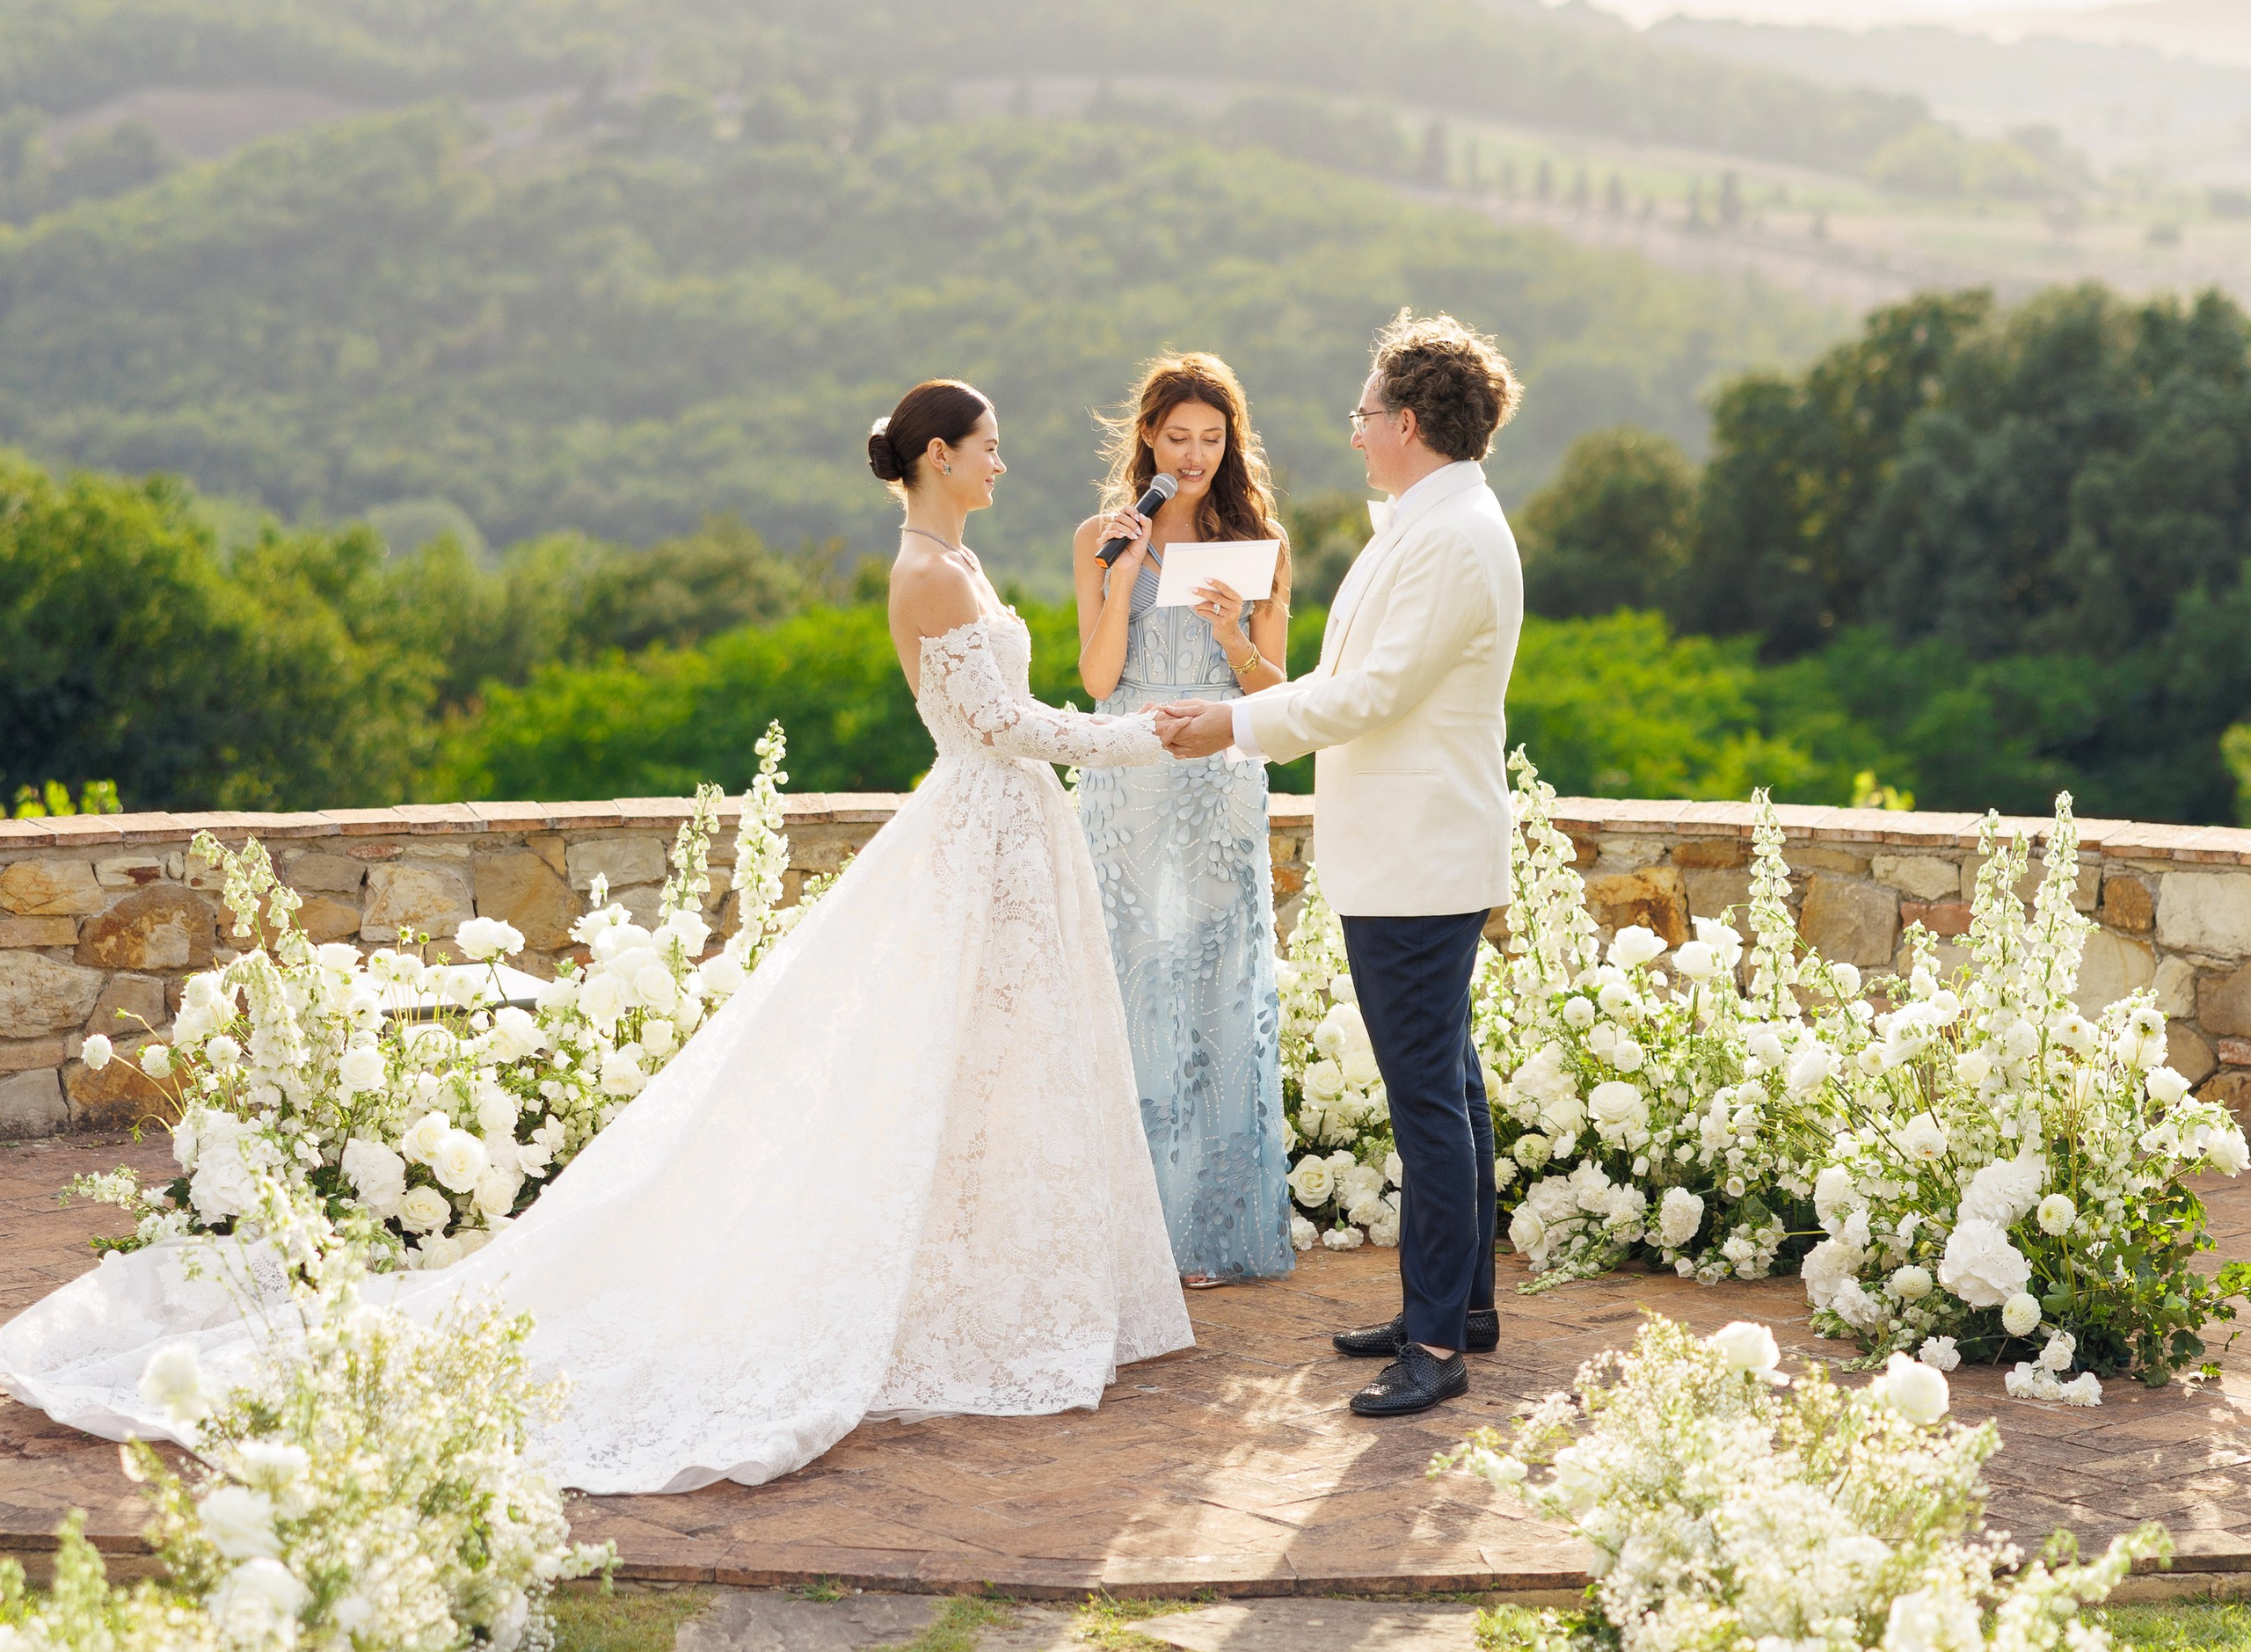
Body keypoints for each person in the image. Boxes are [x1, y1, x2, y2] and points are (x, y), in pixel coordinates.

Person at [0, 382, 1192, 1493]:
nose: (1003, 462)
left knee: (999, 1069)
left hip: (1009, 843)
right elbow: (1007, 730)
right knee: (929, 1067)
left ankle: (992, 1293)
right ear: (940, 456)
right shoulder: (926, 574)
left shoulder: (964, 559)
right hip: (982, 828)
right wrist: (1156, 737)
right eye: (989, 446)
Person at [1154, 312, 1522, 1420]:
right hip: (1412, 847)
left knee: (1428, 1105)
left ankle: (1435, 1345)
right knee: (1448, 1082)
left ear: (1406, 421)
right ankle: (1459, 1310)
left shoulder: (1451, 536)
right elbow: (1351, 679)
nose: (1354, 430)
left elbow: (1369, 696)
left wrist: (1229, 724)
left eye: (1365, 412)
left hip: (1418, 857)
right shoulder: (1429, 521)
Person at [1071, 353, 1295, 1288]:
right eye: (1178, 437)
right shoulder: (1100, 532)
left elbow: (1279, 694)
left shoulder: (1262, 540)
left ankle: (1204, 1230)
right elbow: (1092, 680)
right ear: (1149, 440)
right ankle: (1126, 1228)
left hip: (1216, 774)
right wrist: (1118, 585)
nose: (1195, 454)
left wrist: (1232, 632)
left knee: (1213, 977)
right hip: (1127, 773)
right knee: (1126, 977)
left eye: (1212, 438)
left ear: (1230, 443)